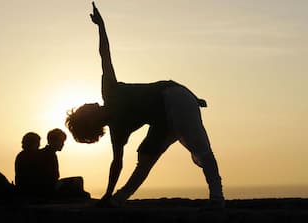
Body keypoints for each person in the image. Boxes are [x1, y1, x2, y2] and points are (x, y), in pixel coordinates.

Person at [66, 2, 224, 208]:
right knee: (146, 156)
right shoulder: (116, 127)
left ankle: (217, 197)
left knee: (200, 147)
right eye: (83, 109)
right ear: (90, 120)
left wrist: (101, 26)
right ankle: (118, 199)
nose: (85, 104)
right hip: (165, 116)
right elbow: (117, 165)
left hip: (174, 97)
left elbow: (105, 55)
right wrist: (107, 194)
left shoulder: (110, 93)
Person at [40, 128, 90, 198]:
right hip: (48, 188)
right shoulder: (49, 154)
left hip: (47, 187)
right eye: (61, 141)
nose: (63, 144)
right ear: (53, 141)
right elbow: (52, 177)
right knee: (78, 180)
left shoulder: (46, 152)